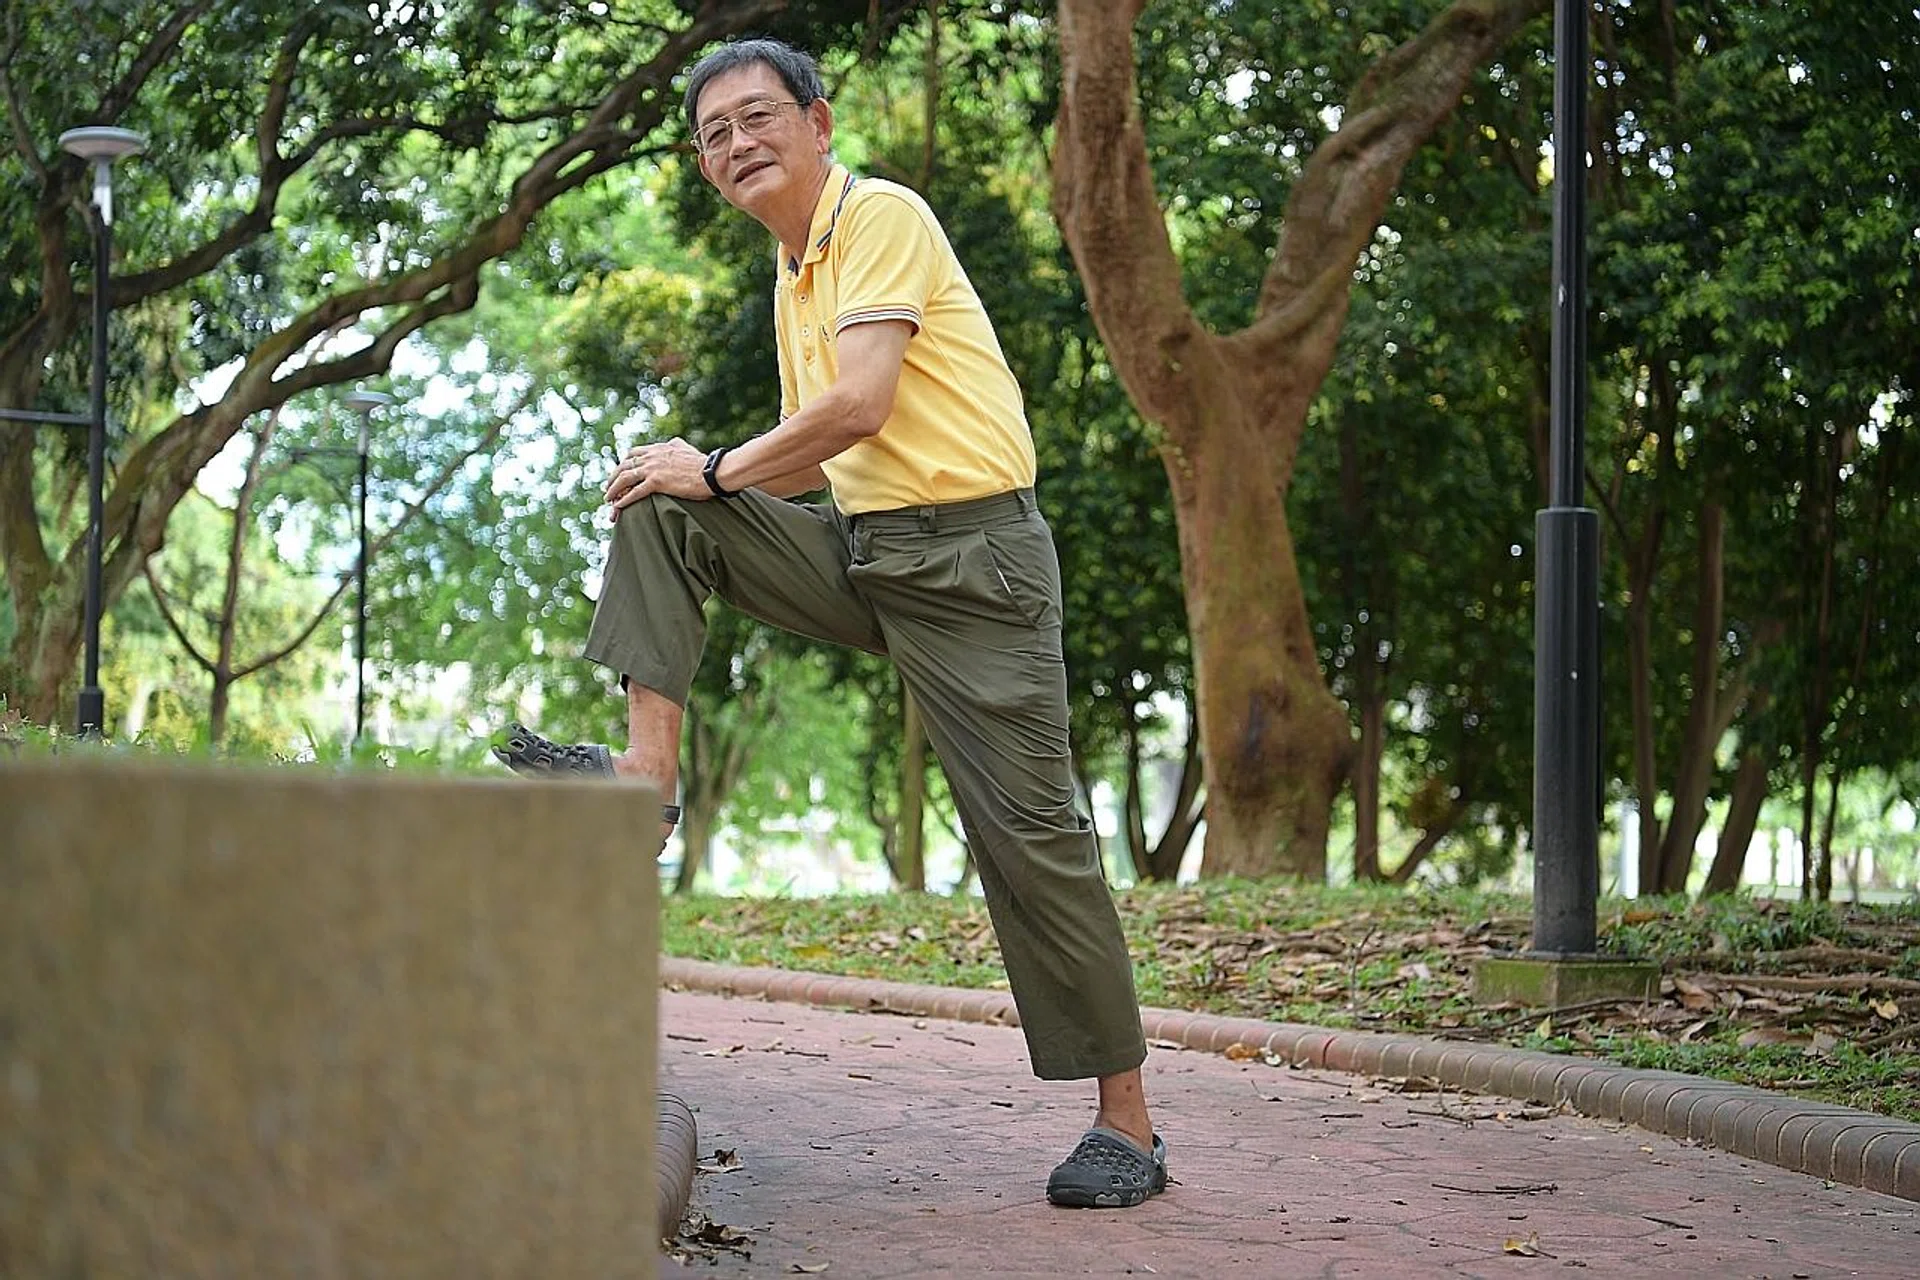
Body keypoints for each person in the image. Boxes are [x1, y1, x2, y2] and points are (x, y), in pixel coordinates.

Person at [494, 37, 1166, 1210]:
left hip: (976, 566)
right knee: (662, 502)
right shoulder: (790, 270)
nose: (738, 143)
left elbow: (859, 405)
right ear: (706, 170)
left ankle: (1129, 1125)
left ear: (818, 123)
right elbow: (809, 462)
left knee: (1031, 838)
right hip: (866, 549)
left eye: (759, 116)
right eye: (715, 134)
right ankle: (646, 781)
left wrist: (716, 465)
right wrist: (704, 478)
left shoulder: (881, 217)